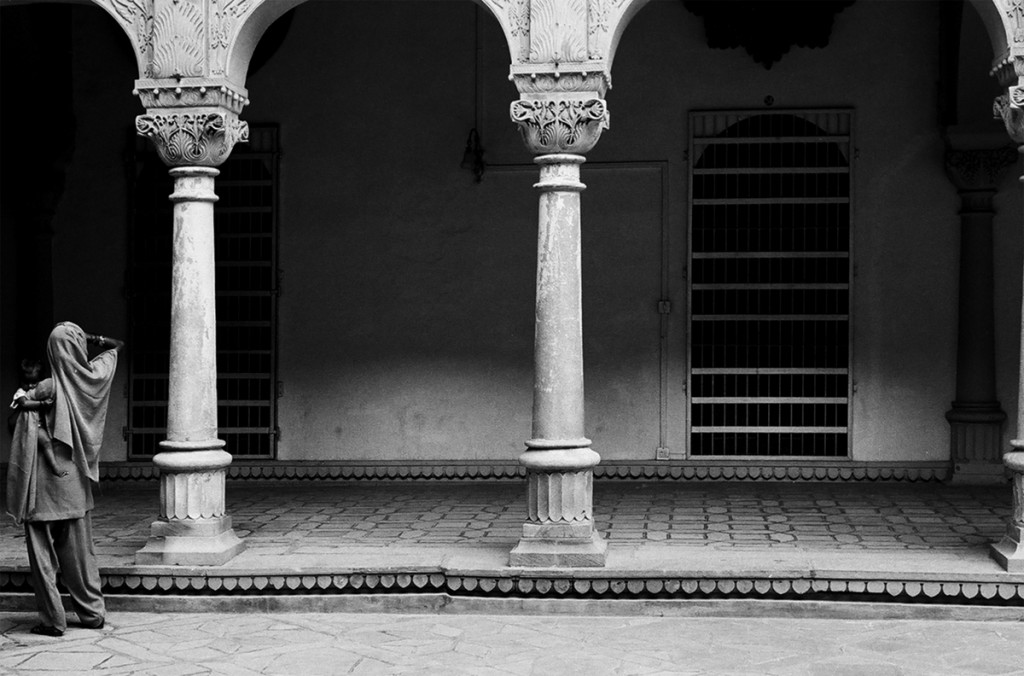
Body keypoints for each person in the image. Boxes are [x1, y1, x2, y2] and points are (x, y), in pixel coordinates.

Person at [5, 323, 123, 637]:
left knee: (43, 556)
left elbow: (13, 421)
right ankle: (92, 613)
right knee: (81, 554)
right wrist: (91, 338)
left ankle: (53, 621)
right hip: (74, 481)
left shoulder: (46, 387)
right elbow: (116, 346)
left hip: (43, 483)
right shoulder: (90, 380)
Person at [9, 359, 63, 480]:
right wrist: (42, 403)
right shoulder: (21, 392)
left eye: (34, 382)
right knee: (46, 442)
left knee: (47, 443)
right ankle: (55, 467)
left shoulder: (40, 390)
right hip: (29, 427)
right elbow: (24, 403)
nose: (30, 386)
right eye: (26, 382)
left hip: (38, 424)